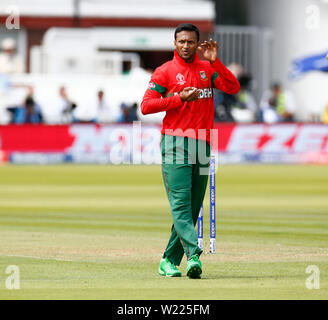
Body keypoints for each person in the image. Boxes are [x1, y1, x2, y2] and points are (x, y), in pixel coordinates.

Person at [141, 23, 240, 279]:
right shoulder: (165, 71)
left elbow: (233, 88)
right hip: (175, 142)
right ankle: (194, 255)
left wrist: (216, 62)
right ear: (175, 43)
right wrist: (178, 99)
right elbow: (146, 106)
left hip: (204, 143)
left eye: (190, 42)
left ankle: (167, 261)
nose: (186, 46)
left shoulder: (208, 69)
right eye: (181, 41)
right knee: (181, 203)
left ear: (198, 44)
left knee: (193, 207)